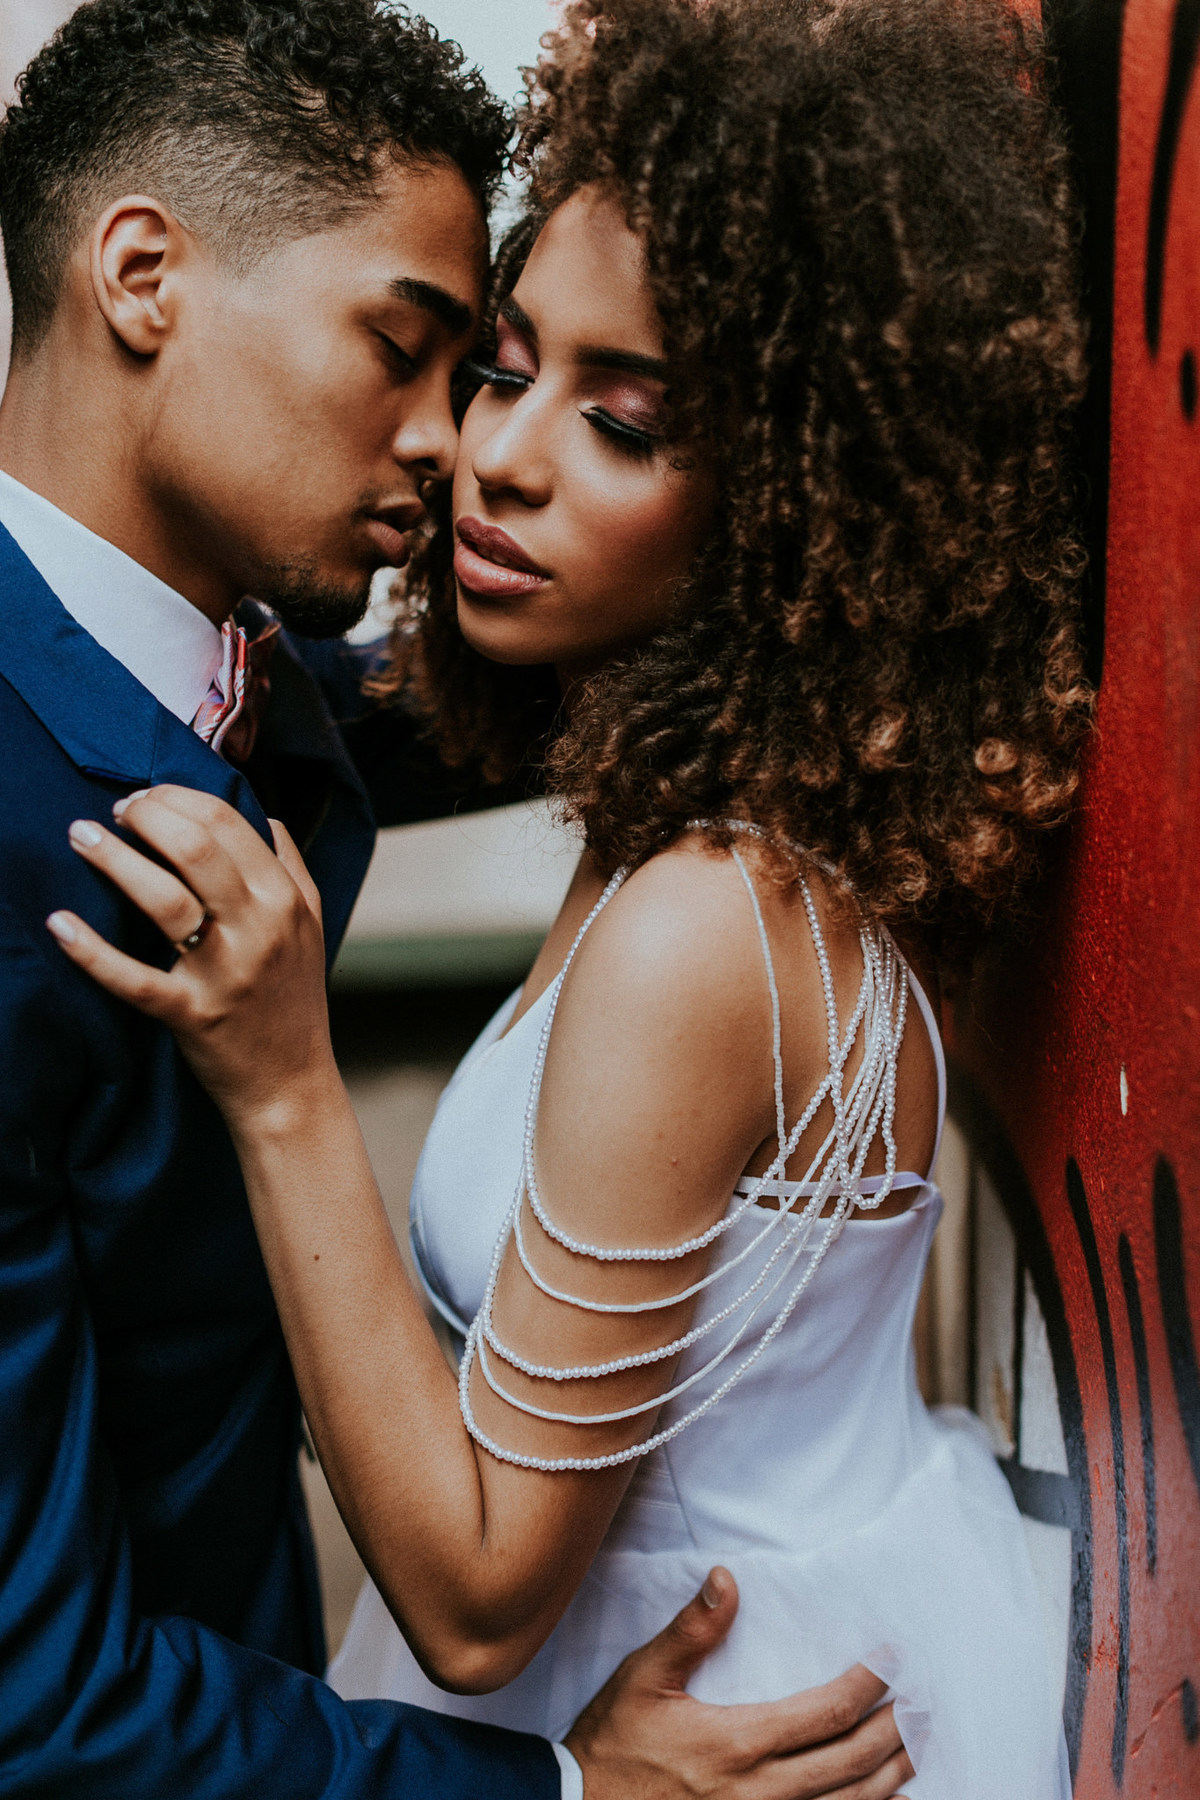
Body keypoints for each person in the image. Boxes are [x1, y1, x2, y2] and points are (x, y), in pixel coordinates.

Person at [47, 0, 1090, 1795]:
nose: (493, 455)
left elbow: (477, 1609)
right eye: (504, 369)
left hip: (719, 1723)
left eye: (621, 421)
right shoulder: (749, 792)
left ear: (789, 500)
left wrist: (287, 1084)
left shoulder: (700, 925)